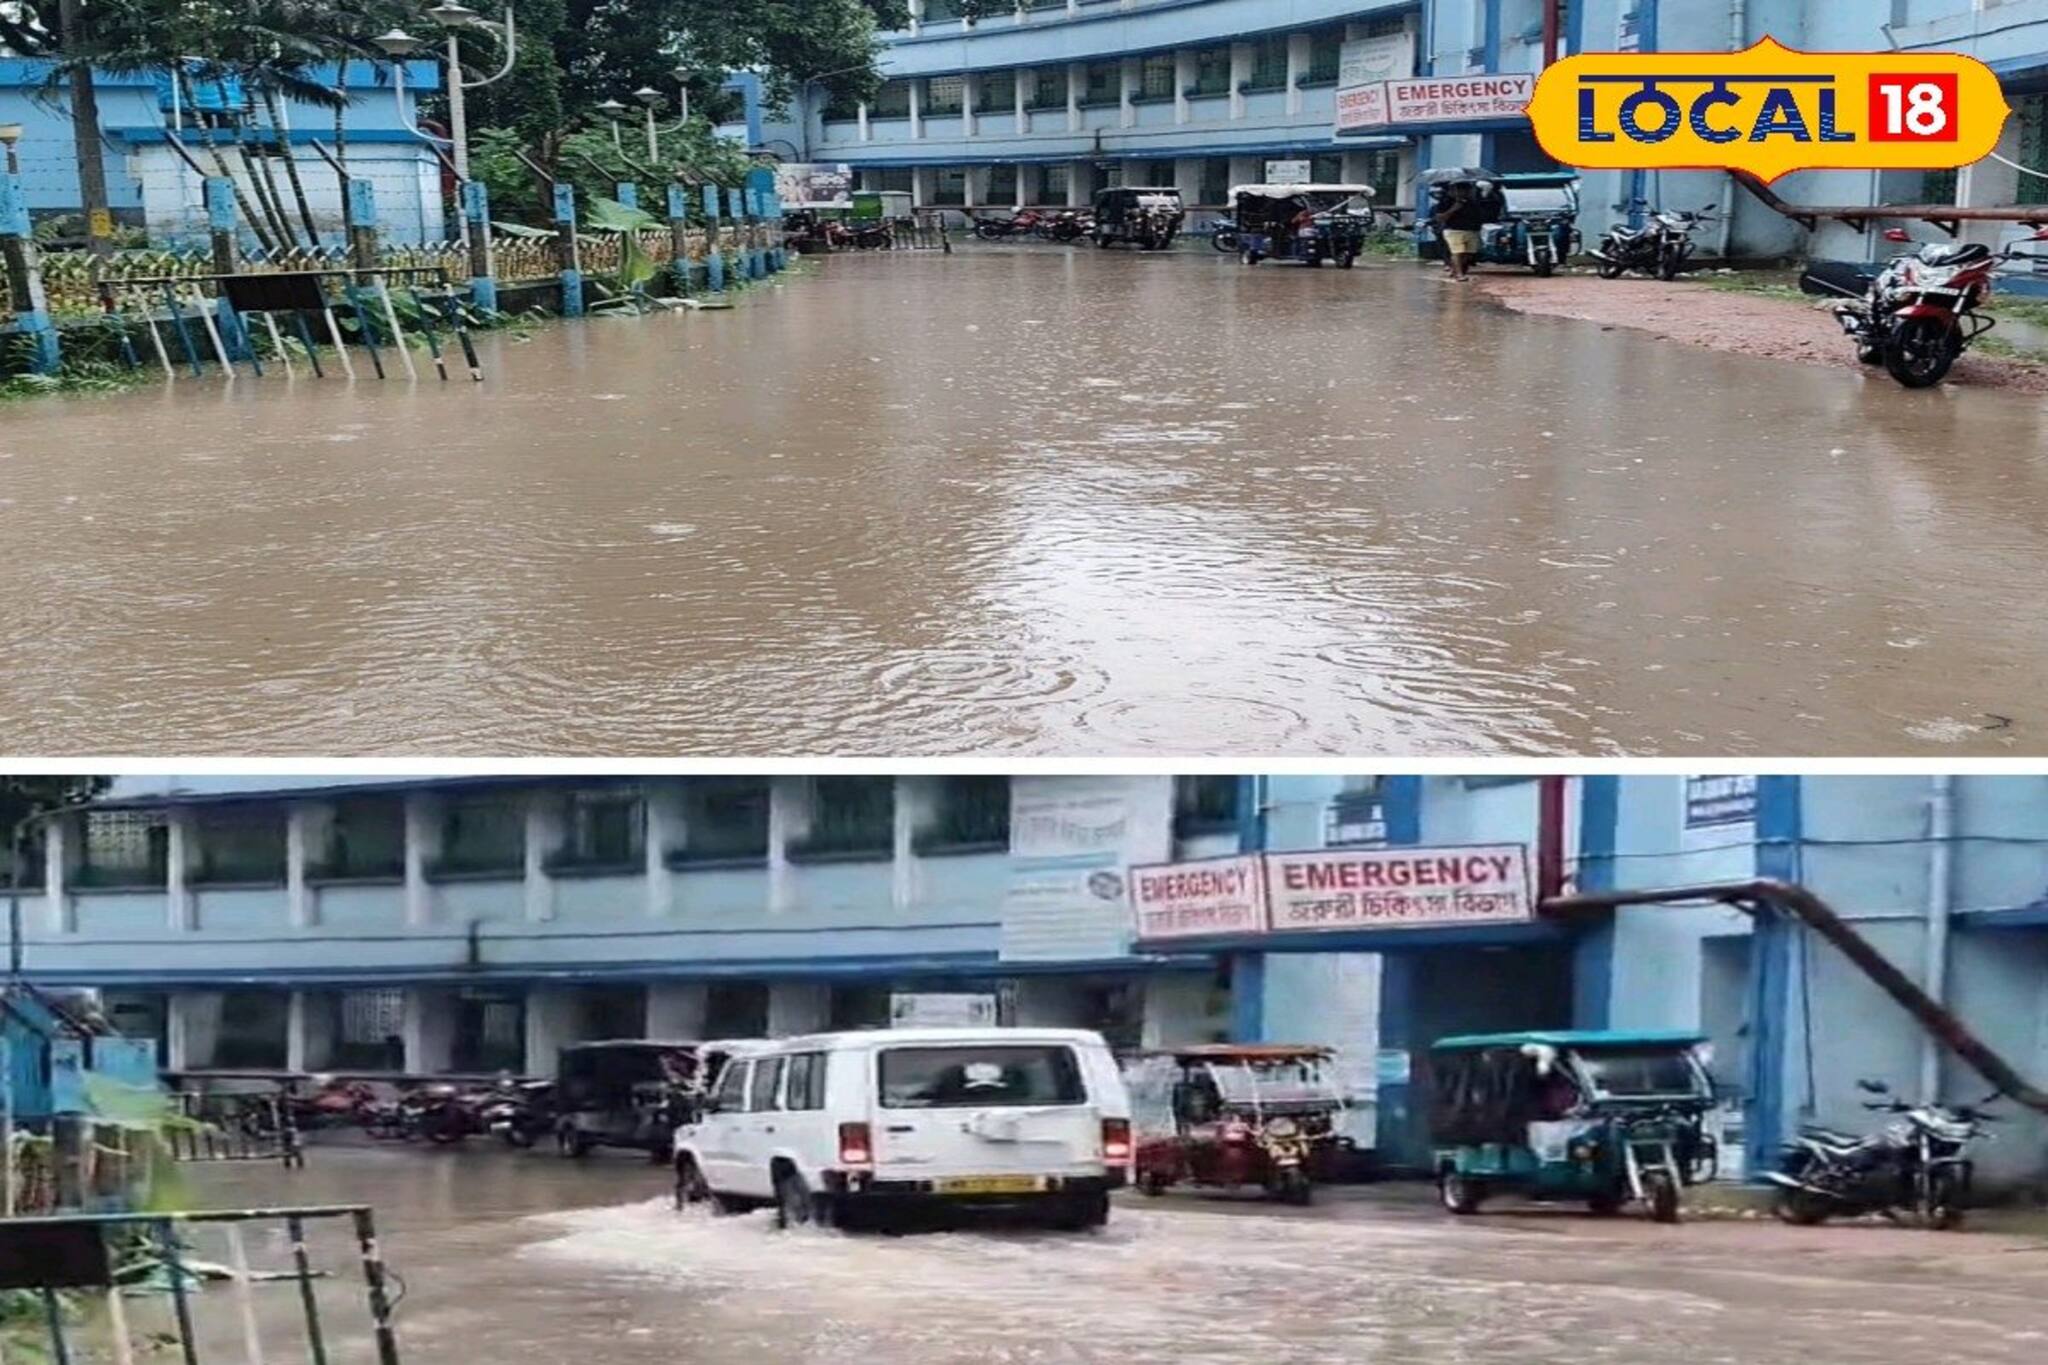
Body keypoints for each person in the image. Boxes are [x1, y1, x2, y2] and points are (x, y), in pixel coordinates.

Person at [1433, 182, 1487, 282]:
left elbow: (1480, 215)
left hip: (1472, 230)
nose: (1468, 192)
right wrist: (1454, 208)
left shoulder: (1473, 202)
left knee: (1469, 254)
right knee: (1457, 252)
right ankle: (1459, 274)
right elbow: (1440, 218)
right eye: (1464, 190)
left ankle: (1456, 270)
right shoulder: (1446, 202)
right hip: (1454, 230)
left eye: (1469, 190)